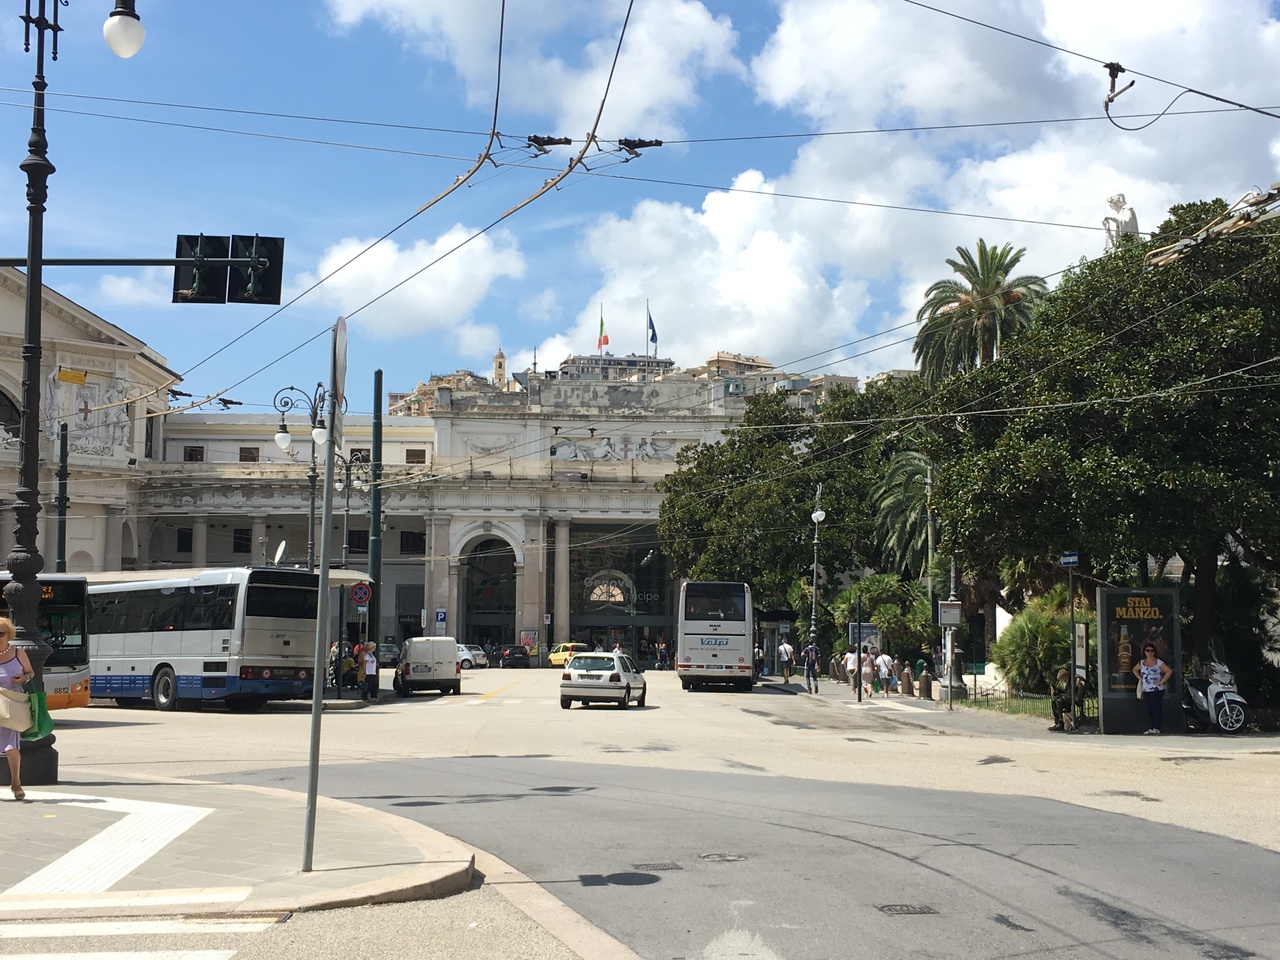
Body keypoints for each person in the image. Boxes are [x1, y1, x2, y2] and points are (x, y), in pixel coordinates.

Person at [0, 616, 34, 800]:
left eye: (1, 634)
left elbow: (30, 673)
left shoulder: (18, 653)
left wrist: (23, 679)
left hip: (11, 706)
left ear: (9, 635)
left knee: (11, 747)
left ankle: (16, 782)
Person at [1133, 642, 1173, 734]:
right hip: (1146, 689)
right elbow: (1135, 669)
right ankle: (1151, 727)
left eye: (1152, 651)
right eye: (1147, 650)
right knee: (1149, 708)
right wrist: (1140, 678)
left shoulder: (1158, 662)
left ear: (1154, 652)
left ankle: (1157, 727)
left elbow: (1169, 671)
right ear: (1144, 652)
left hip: (1157, 689)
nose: (1150, 653)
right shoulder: (1142, 662)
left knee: (1156, 708)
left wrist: (1162, 681)